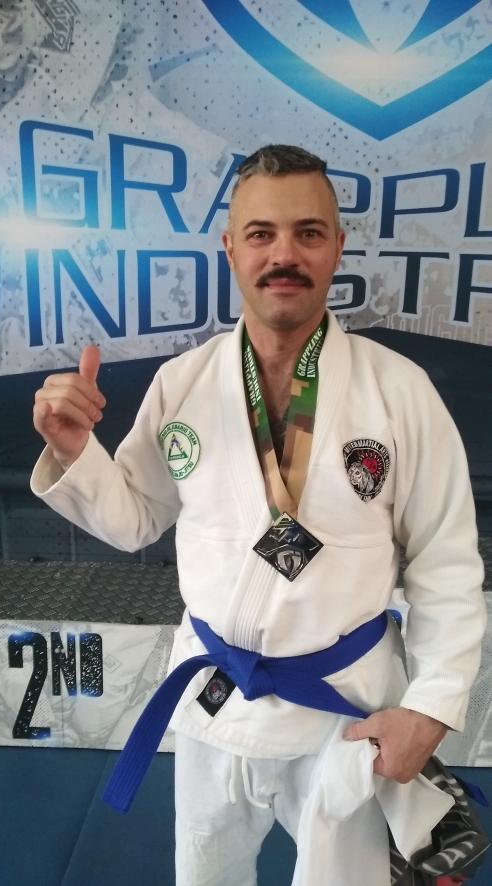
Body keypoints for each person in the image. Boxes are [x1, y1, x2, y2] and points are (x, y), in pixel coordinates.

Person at [31, 145, 486, 886]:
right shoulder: (183, 383)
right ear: (231, 248)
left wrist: (430, 708)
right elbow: (135, 517)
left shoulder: (400, 391)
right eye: (262, 233)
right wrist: (75, 451)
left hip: (346, 709)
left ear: (337, 246)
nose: (284, 255)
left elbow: (446, 559)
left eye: (308, 233)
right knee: (206, 875)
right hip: (216, 701)